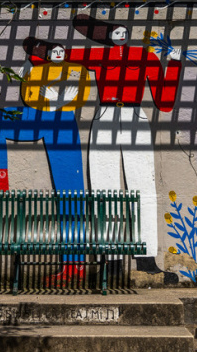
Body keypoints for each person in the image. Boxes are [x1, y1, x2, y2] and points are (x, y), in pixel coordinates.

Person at [29, 14, 182, 274]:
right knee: (103, 186)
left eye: (122, 30)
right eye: (114, 30)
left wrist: (175, 64)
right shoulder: (99, 56)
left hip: (135, 116)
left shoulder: (146, 57)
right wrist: (40, 50)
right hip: (105, 115)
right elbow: (65, 55)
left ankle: (146, 259)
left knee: (143, 187)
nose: (120, 33)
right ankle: (110, 259)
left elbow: (165, 100)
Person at [0, 39, 92, 284]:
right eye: (49, 51)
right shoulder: (34, 69)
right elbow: (30, 94)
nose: (55, 54)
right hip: (38, 114)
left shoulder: (75, 69)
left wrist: (58, 98)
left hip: (62, 120)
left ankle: (73, 266)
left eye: (58, 50)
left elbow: (80, 92)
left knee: (71, 195)